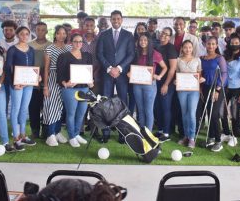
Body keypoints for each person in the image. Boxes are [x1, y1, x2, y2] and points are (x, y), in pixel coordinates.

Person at [97, 10, 135, 142]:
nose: (116, 21)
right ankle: (106, 132)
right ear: (110, 20)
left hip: (122, 74)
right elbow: (100, 54)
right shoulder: (103, 35)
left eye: (118, 19)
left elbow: (131, 54)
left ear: (122, 20)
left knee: (122, 104)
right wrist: (109, 68)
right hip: (107, 74)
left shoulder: (128, 35)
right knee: (105, 103)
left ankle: (122, 133)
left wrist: (119, 68)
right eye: (113, 19)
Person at [57, 33, 93, 147]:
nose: (78, 44)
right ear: (71, 42)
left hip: (84, 88)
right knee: (71, 113)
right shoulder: (64, 56)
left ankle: (77, 134)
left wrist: (91, 81)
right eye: (76, 41)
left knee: (81, 113)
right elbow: (59, 75)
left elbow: (90, 72)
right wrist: (65, 83)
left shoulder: (87, 56)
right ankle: (71, 136)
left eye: (80, 41)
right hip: (70, 89)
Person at [5, 26, 37, 149]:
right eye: (22, 34)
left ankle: (23, 135)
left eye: (27, 34)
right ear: (17, 35)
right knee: (15, 109)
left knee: (24, 109)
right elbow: (8, 68)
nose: (24, 36)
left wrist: (36, 77)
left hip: (28, 84)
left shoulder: (31, 50)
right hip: (16, 84)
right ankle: (16, 137)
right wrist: (13, 83)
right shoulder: (12, 50)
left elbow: (33, 67)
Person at [131, 33, 167, 131]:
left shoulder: (155, 54)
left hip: (150, 85)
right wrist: (130, 73)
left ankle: (149, 133)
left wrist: (159, 76)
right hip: (137, 85)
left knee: (148, 110)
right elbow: (132, 67)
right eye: (141, 40)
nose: (143, 42)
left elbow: (165, 67)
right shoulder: (135, 53)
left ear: (149, 42)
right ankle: (142, 131)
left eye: (145, 40)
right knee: (140, 109)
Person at [43, 25, 72, 146]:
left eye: (64, 33)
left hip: (65, 80)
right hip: (53, 79)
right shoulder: (49, 48)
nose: (62, 35)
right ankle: (50, 134)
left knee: (61, 107)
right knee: (52, 106)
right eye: (59, 33)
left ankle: (58, 131)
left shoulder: (69, 48)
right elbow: (46, 69)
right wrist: (45, 86)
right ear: (55, 34)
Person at [200, 36, 227, 152]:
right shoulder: (202, 58)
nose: (210, 46)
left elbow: (225, 74)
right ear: (205, 45)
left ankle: (218, 140)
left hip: (217, 87)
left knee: (214, 114)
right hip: (205, 87)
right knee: (208, 113)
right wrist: (200, 89)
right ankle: (210, 137)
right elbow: (200, 74)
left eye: (213, 44)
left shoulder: (220, 58)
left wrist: (218, 89)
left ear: (216, 45)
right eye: (208, 44)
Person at [176, 40, 202, 149]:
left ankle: (192, 137)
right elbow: (177, 73)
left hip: (194, 91)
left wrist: (200, 81)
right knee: (184, 113)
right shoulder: (178, 60)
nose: (188, 49)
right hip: (182, 90)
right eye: (185, 47)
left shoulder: (197, 60)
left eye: (190, 47)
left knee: (191, 113)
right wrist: (175, 81)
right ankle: (186, 136)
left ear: (192, 48)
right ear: (182, 48)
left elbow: (199, 74)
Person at [28, 22, 51, 139]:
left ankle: (46, 131)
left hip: (48, 82)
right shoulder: (29, 45)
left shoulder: (51, 45)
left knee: (47, 108)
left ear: (46, 31)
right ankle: (35, 131)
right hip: (33, 82)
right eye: (38, 29)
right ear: (35, 31)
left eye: (43, 30)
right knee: (33, 108)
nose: (40, 32)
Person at [155, 27, 178, 142]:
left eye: (166, 34)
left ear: (170, 37)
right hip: (156, 81)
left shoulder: (171, 48)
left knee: (165, 106)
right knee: (158, 106)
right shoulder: (157, 46)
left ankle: (166, 133)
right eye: (162, 32)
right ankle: (160, 130)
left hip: (167, 83)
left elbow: (173, 68)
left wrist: (166, 84)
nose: (163, 35)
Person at [222, 33, 240, 139]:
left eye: (237, 43)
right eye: (232, 43)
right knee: (221, 110)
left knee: (234, 112)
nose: (234, 44)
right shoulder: (224, 56)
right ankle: (226, 131)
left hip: (236, 88)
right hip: (225, 87)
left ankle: (235, 131)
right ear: (229, 43)